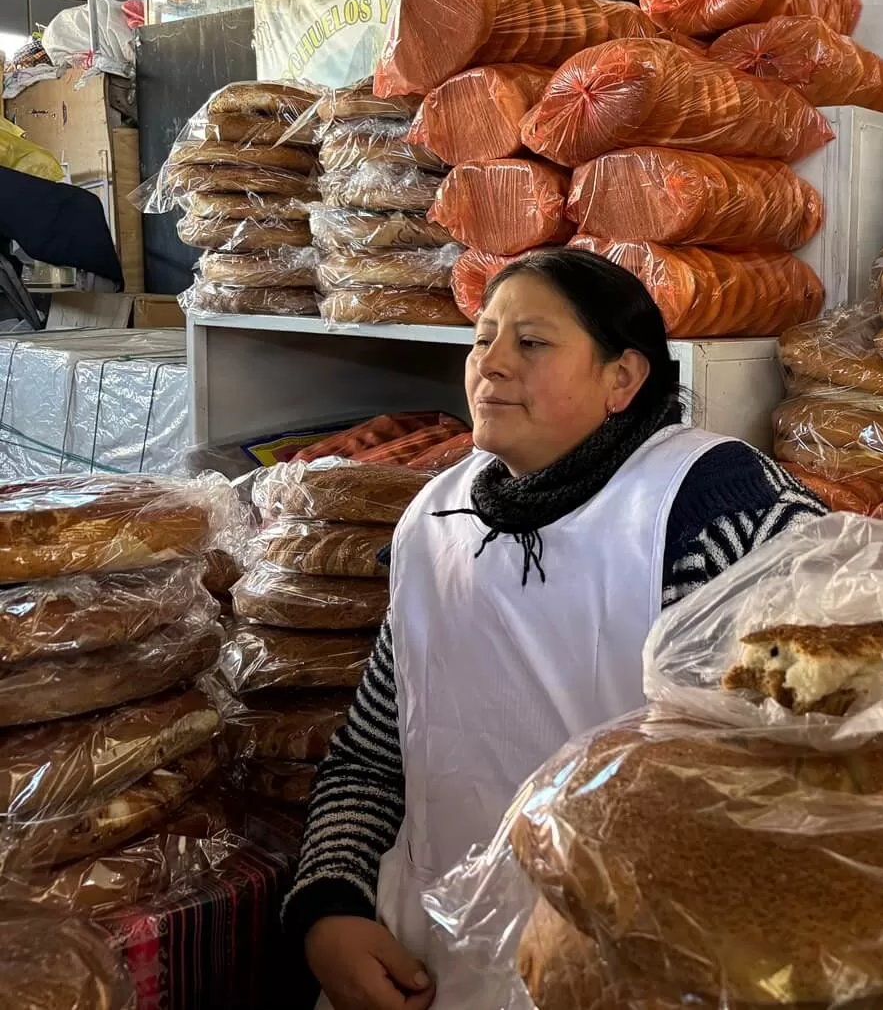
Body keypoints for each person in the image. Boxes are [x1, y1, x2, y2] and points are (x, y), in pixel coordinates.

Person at [283, 249, 825, 1010]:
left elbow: (814, 775)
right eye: (481, 338)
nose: (491, 365)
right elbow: (373, 758)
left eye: (531, 342)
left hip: (651, 972)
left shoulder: (715, 507)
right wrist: (328, 908)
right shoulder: (433, 521)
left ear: (622, 379)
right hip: (437, 967)